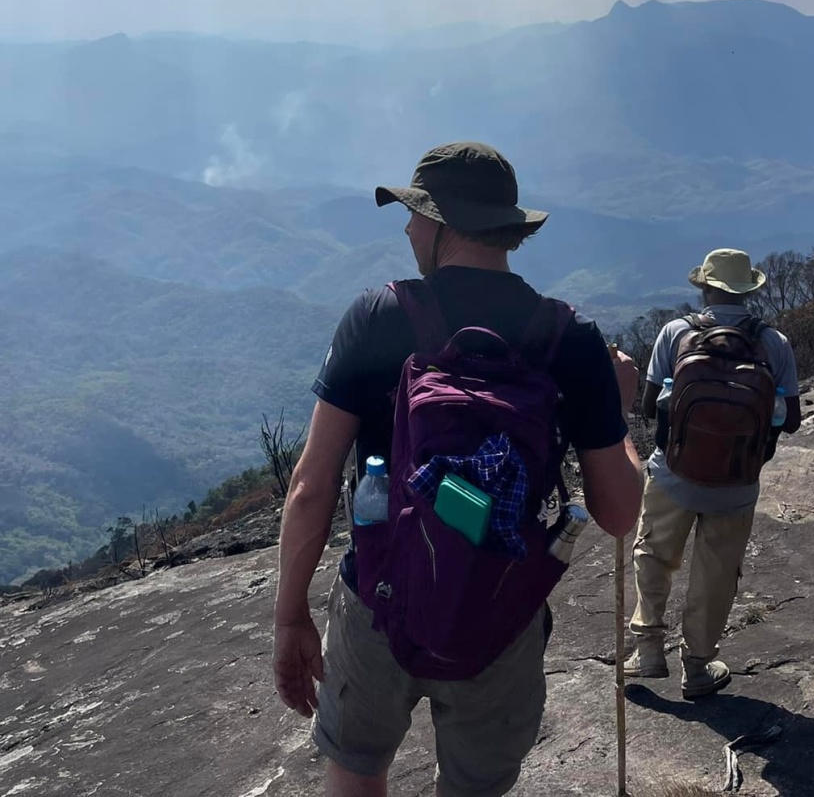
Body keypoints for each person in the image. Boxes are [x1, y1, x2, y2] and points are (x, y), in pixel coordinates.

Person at [272, 141, 645, 797]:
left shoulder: (377, 317)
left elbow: (311, 485)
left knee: (356, 772)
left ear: (440, 224)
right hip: (500, 606)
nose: (409, 228)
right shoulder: (570, 338)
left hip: (376, 596)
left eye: (415, 214)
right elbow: (619, 513)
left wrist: (290, 615)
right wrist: (618, 412)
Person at [623, 248, 801, 697]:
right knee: (717, 572)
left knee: (654, 554)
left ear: (703, 287)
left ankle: (647, 651)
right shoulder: (774, 342)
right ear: (749, 292)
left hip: (673, 474)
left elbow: (647, 408)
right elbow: (793, 419)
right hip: (737, 485)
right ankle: (697, 667)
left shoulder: (676, 331)